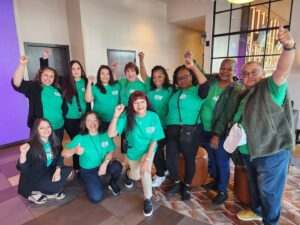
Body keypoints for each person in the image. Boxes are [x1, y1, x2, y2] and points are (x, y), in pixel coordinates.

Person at [235, 26, 296, 225]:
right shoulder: (244, 93)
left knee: (270, 192)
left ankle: (271, 221)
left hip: (271, 152)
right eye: (245, 73)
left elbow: (282, 70)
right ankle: (258, 211)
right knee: (255, 188)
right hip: (249, 151)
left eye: (254, 72)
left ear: (263, 74)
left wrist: (288, 47)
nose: (249, 76)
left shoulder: (270, 87)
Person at [108, 91, 165, 217]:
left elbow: (154, 140)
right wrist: (116, 115)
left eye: (142, 101)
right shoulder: (127, 116)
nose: (139, 105)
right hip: (133, 151)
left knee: (145, 172)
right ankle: (128, 174)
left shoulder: (153, 116)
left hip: (148, 150)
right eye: (136, 102)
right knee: (135, 176)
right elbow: (111, 134)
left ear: (146, 102)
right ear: (131, 104)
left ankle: (148, 199)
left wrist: (147, 160)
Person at [165, 50, 209, 201]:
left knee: (190, 160)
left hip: (190, 131)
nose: (182, 80)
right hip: (172, 131)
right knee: (170, 160)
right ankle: (177, 182)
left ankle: (187, 186)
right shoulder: (175, 93)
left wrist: (193, 66)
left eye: (185, 76)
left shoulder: (197, 92)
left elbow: (205, 84)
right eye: (179, 78)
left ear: (191, 77)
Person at [200, 58, 242, 204]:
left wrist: (216, 135)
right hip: (205, 128)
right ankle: (216, 181)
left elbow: (226, 115)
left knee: (222, 161)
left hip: (219, 133)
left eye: (229, 69)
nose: (224, 71)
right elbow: (201, 74)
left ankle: (223, 191)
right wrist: (191, 61)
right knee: (212, 158)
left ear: (234, 71)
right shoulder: (213, 81)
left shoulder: (234, 89)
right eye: (222, 68)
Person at [62, 112, 122, 203]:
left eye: (95, 120)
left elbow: (111, 151)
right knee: (96, 198)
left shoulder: (105, 134)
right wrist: (74, 150)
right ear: (84, 123)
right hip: (88, 170)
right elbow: (64, 153)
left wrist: (105, 163)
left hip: (103, 165)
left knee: (117, 166)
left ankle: (112, 182)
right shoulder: (80, 138)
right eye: (88, 121)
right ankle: (90, 181)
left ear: (99, 122)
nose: (92, 123)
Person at [17, 118, 72, 205]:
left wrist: (58, 170)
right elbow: (22, 168)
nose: (46, 130)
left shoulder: (53, 141)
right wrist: (23, 153)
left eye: (48, 127)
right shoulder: (31, 145)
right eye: (41, 128)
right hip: (35, 177)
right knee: (55, 189)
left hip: (47, 170)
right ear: (36, 130)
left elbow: (59, 157)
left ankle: (48, 190)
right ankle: (34, 191)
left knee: (68, 172)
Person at [138, 52, 173, 187]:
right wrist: (141, 60)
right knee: (156, 150)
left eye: (160, 76)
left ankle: (161, 172)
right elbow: (143, 74)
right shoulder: (149, 88)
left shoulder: (170, 89)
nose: (156, 79)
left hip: (165, 126)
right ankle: (161, 171)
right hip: (151, 126)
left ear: (165, 76)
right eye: (154, 77)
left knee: (159, 150)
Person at [12, 55, 65, 143]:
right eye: (46, 75)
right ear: (40, 75)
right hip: (41, 130)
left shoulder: (57, 89)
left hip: (58, 126)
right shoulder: (34, 87)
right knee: (40, 153)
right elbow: (17, 83)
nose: (48, 78)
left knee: (57, 151)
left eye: (51, 76)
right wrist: (22, 65)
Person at [85, 65, 120, 130]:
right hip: (99, 120)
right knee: (100, 138)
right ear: (99, 75)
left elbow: (114, 81)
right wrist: (89, 83)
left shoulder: (116, 86)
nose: (105, 76)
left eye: (107, 74)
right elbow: (88, 100)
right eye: (102, 73)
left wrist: (114, 71)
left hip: (113, 119)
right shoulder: (95, 88)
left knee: (109, 138)